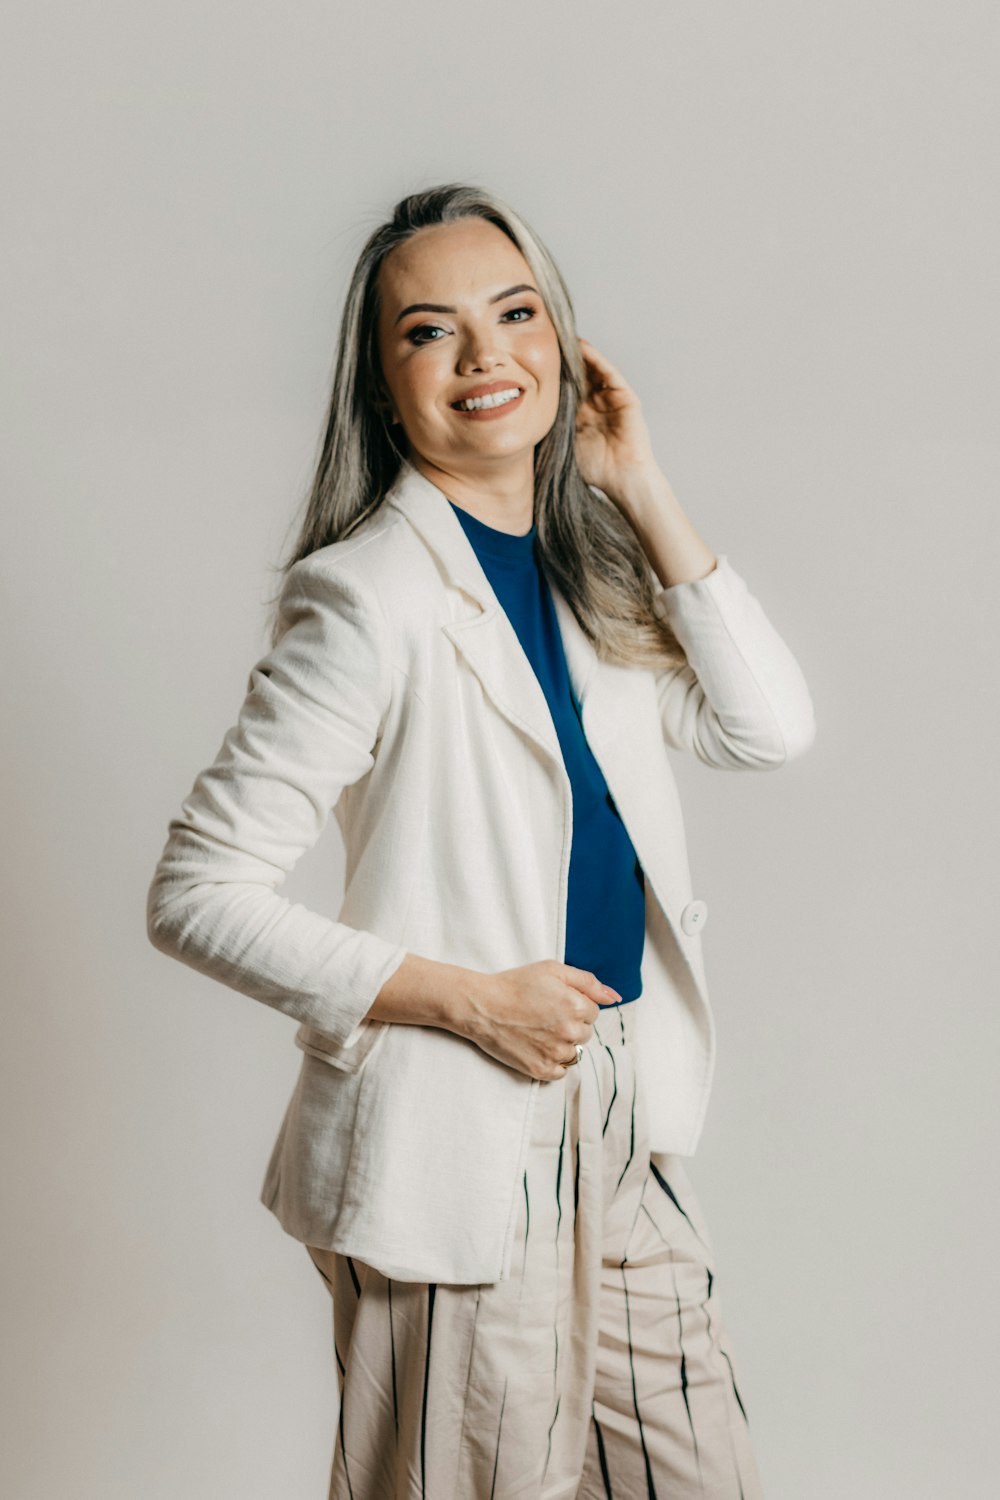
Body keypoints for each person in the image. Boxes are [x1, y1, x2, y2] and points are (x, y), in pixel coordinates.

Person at [146, 182, 815, 1499]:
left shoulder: (589, 572)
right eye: (428, 332)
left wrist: (639, 479)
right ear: (382, 384)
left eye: (515, 315)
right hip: (464, 1127)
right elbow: (195, 891)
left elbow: (767, 727)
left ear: (563, 342)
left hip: (624, 1114)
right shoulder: (366, 597)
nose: (482, 356)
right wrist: (466, 1002)